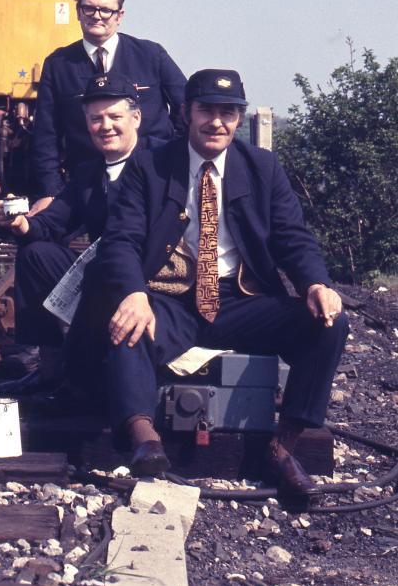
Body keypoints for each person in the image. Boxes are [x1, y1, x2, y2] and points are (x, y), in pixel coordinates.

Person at [93, 68, 349, 492]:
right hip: (171, 296)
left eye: (228, 113)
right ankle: (144, 441)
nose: (217, 122)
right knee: (128, 324)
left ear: (239, 118)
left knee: (329, 324)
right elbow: (121, 240)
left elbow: (292, 237)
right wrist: (135, 293)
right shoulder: (150, 165)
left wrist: (315, 285)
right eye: (207, 110)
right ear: (187, 114)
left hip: (242, 298)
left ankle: (282, 448)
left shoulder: (262, 166)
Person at [0, 72, 141, 393]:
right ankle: (49, 368)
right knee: (36, 255)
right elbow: (53, 222)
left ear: (136, 118)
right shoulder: (90, 173)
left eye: (115, 117)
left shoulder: (158, 165)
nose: (106, 126)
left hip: (146, 278)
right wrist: (21, 223)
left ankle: (90, 374)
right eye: (96, 119)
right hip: (103, 271)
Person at [30, 0, 186, 212]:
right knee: (37, 244)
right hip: (88, 184)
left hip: (153, 176)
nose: (97, 15)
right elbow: (45, 134)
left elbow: (187, 107)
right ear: (78, 12)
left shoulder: (151, 55)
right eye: (89, 8)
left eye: (106, 10)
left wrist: (171, 152)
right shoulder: (58, 64)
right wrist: (51, 192)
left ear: (119, 16)